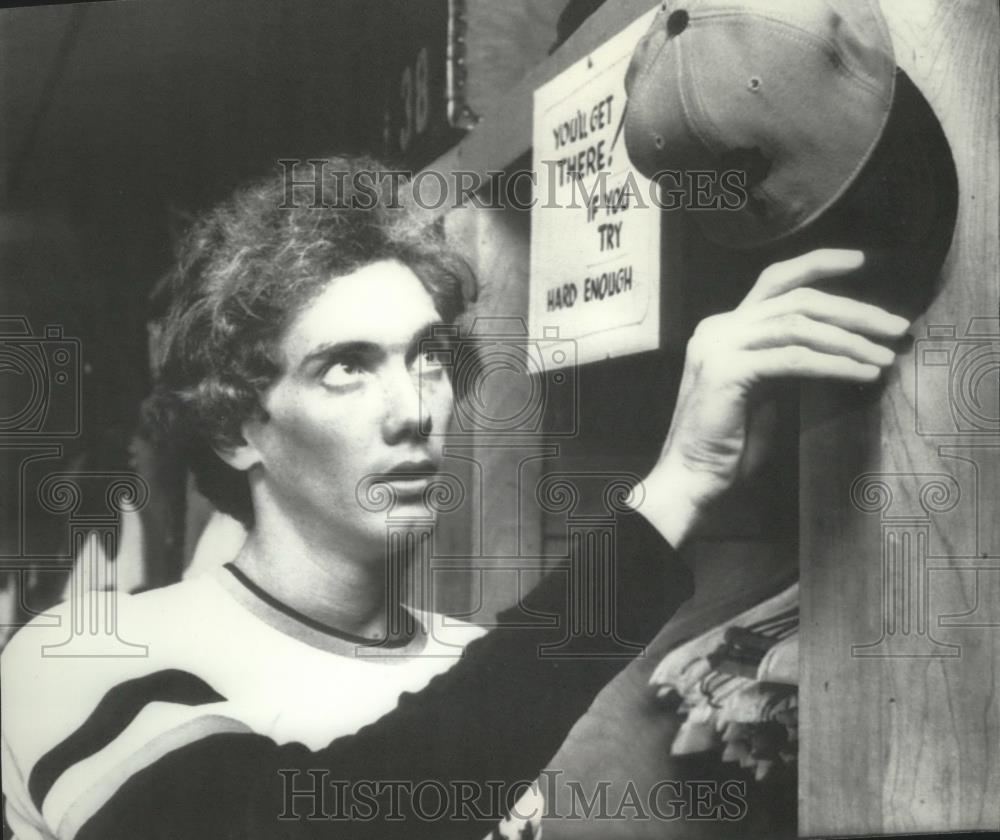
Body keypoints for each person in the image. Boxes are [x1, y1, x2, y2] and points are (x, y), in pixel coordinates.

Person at [0, 152, 908, 840]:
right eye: (346, 366)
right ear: (238, 425)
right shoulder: (79, 661)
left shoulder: (470, 670)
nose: (414, 411)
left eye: (428, 358)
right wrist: (673, 492)